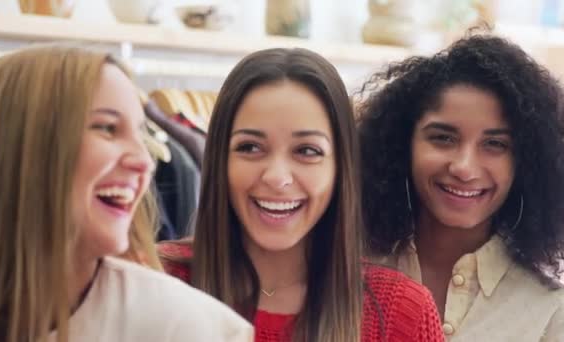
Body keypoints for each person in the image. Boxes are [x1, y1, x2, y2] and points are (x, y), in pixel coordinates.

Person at [0, 44, 253, 342]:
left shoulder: (195, 330)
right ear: (17, 150)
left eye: (142, 134)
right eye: (108, 128)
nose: (145, 161)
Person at [159, 47, 445, 341]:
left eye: (307, 151)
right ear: (220, 160)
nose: (277, 177)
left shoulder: (402, 313)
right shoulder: (154, 286)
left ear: (341, 168)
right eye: (250, 147)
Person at [356, 33, 564, 341]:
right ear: (402, 144)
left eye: (494, 144)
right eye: (443, 138)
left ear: (526, 162)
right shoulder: (344, 268)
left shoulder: (549, 309)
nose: (464, 168)